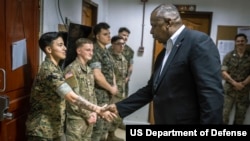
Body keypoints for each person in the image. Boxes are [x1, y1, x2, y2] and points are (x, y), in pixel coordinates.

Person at [106, 3, 224, 124]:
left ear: (169, 23)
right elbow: (151, 89)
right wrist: (119, 107)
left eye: (154, 26)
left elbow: (211, 94)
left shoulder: (198, 42)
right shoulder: (164, 53)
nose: (151, 32)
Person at [25, 32, 116, 141]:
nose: (65, 48)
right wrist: (97, 109)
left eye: (64, 44)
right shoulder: (49, 71)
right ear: (49, 49)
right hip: (41, 130)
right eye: (60, 45)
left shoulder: (56, 68)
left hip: (54, 127)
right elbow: (72, 97)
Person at [88, 22, 118, 141]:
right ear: (97, 36)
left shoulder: (105, 50)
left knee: (106, 125)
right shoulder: (95, 50)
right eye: (105, 34)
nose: (109, 36)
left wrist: (114, 85)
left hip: (108, 94)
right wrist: (111, 88)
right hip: (99, 94)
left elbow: (111, 70)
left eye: (109, 33)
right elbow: (97, 75)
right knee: (98, 128)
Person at [64, 38, 97, 141]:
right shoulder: (71, 70)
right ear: (79, 51)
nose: (91, 53)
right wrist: (88, 115)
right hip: (76, 120)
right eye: (88, 50)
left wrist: (95, 111)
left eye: (92, 50)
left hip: (90, 116)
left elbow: (92, 93)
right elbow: (71, 97)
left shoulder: (89, 70)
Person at [221, 33, 250, 124]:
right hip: (229, 91)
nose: (240, 43)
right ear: (235, 43)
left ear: (246, 42)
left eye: (242, 41)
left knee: (240, 117)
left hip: (244, 91)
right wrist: (234, 83)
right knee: (224, 115)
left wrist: (243, 84)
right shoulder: (229, 56)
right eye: (238, 41)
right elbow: (223, 72)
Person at [107, 35, 127, 141]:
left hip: (121, 91)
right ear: (113, 45)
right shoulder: (108, 58)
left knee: (117, 115)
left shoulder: (123, 58)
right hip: (111, 93)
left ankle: (111, 135)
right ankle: (103, 136)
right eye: (119, 44)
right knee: (108, 115)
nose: (122, 46)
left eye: (123, 44)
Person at [118, 27, 134, 98]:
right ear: (119, 34)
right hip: (112, 82)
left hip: (124, 82)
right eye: (124, 35)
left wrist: (128, 77)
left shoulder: (130, 51)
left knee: (123, 100)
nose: (126, 37)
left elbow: (131, 66)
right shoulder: (110, 49)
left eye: (127, 36)